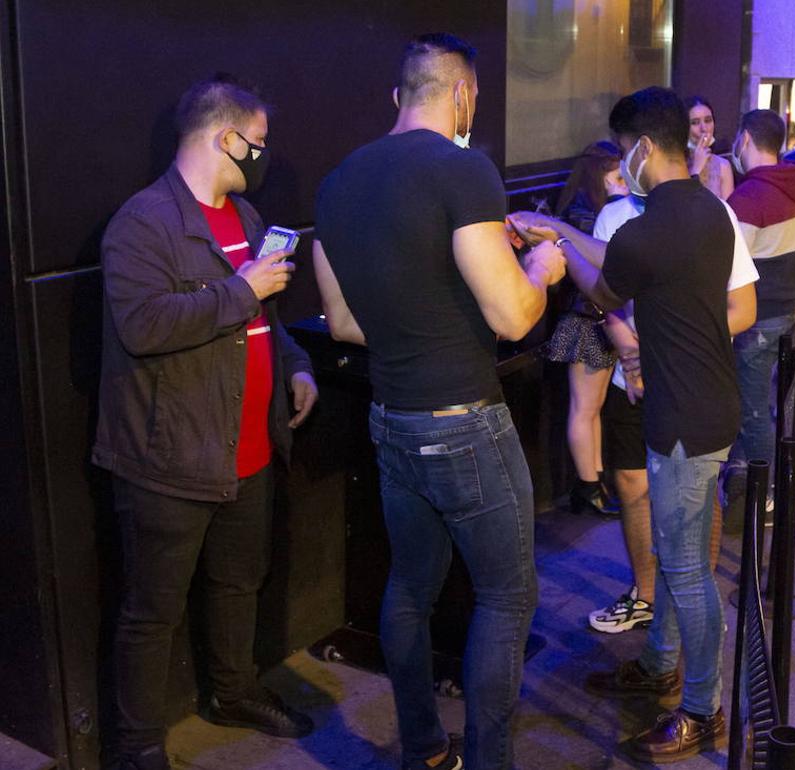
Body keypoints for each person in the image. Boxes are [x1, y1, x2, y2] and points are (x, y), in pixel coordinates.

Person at [312, 34, 566, 770]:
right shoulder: (463, 169)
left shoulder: (337, 183)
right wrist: (540, 265)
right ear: (463, 95)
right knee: (505, 598)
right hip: (465, 425)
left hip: (391, 422)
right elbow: (514, 316)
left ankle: (424, 749)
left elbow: (343, 323)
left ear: (398, 97)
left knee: (410, 590)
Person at [514, 86, 757, 763]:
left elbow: (605, 286)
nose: (623, 164)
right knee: (680, 562)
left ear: (646, 148)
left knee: (685, 571)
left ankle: (702, 708)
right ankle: (660, 664)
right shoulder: (708, 211)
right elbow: (622, 256)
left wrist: (558, 244)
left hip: (683, 417)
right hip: (704, 403)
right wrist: (563, 231)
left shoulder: (652, 225)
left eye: (625, 152)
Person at [95, 75, 318, 770]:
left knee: (236, 584)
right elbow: (142, 325)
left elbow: (264, 318)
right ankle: (135, 746)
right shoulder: (142, 222)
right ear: (225, 138)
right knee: (152, 610)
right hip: (169, 459)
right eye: (258, 143)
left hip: (248, 448)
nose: (263, 156)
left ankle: (232, 692)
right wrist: (238, 289)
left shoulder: (247, 221)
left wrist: (295, 364)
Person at [726, 109, 795, 501]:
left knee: (752, 410)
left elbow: (726, 272)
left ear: (745, 139)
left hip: (753, 320)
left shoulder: (746, 200)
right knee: (761, 402)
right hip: (784, 314)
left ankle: (762, 494)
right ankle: (747, 475)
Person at [545, 141, 625, 516]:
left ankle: (594, 483)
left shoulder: (594, 210)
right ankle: (588, 487)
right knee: (585, 408)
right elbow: (592, 269)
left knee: (592, 408)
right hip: (585, 320)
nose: (624, 182)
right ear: (600, 175)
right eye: (617, 175)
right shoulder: (583, 215)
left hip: (597, 318)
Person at [686, 95, 734, 200]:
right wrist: (696, 168)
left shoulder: (723, 165)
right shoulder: (676, 163)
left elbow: (728, 212)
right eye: (695, 123)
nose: (704, 128)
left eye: (708, 120)